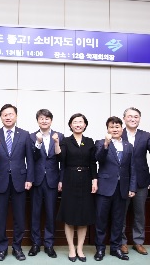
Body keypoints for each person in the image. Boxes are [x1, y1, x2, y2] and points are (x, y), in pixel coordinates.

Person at [0, 104, 34, 261]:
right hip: (1, 181)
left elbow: (30, 159)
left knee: (19, 217)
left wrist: (29, 178)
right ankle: (1, 248)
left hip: (20, 181)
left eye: (10, 114)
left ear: (16, 116)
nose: (8, 117)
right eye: (5, 114)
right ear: (1, 117)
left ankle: (17, 248)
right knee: (0, 217)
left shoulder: (25, 135)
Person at [53, 113, 97, 263]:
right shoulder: (65, 141)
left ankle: (80, 248)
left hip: (85, 179)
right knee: (69, 216)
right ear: (70, 125)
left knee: (83, 216)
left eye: (81, 122)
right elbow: (61, 159)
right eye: (75, 122)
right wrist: (56, 144)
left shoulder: (89, 141)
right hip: (70, 179)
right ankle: (71, 248)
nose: (78, 124)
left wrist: (94, 180)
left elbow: (93, 163)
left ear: (85, 125)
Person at [94, 116, 136, 262]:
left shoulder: (128, 145)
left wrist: (132, 187)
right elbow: (99, 158)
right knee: (101, 220)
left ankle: (115, 248)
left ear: (122, 129)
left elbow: (132, 168)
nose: (115, 129)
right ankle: (100, 249)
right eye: (112, 127)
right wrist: (106, 143)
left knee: (118, 220)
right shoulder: (100, 143)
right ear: (108, 129)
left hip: (122, 189)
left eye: (117, 127)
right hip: (105, 188)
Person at [120, 107, 150, 255]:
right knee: (121, 213)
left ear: (139, 119)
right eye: (130, 116)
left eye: (136, 116)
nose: (133, 119)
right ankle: (122, 242)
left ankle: (138, 242)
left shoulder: (145, 135)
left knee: (139, 213)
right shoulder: (118, 133)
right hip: (123, 180)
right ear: (124, 118)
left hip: (141, 180)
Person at [28, 109, 64, 258]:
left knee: (50, 213)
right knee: (35, 213)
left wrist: (61, 180)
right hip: (36, 180)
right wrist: (37, 143)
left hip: (52, 180)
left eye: (47, 118)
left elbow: (63, 160)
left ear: (51, 120)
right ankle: (35, 244)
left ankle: (49, 244)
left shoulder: (60, 136)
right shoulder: (31, 137)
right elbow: (31, 158)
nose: (44, 121)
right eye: (41, 118)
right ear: (37, 121)